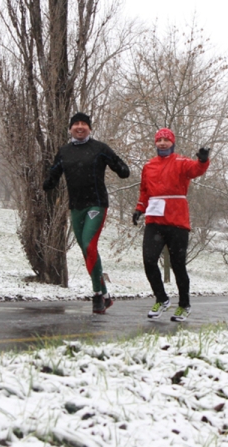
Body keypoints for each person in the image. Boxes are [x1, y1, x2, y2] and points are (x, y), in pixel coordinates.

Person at [43, 112, 130, 314]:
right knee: (86, 250)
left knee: (90, 245)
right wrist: (49, 182)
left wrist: (122, 168)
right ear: (70, 128)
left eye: (84, 124)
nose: (80, 127)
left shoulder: (99, 149)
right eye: (76, 124)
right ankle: (106, 295)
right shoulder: (65, 152)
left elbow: (118, 165)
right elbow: (54, 172)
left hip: (96, 204)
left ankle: (97, 294)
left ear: (90, 128)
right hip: (76, 206)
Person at [133, 127, 210, 322]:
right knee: (149, 260)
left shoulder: (181, 162)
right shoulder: (148, 166)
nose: (162, 143)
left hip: (177, 221)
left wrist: (202, 160)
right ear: (155, 143)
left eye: (166, 140)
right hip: (154, 220)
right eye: (159, 140)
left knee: (178, 265)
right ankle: (162, 298)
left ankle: (184, 305)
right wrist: (139, 209)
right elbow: (144, 191)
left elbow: (196, 170)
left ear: (172, 143)